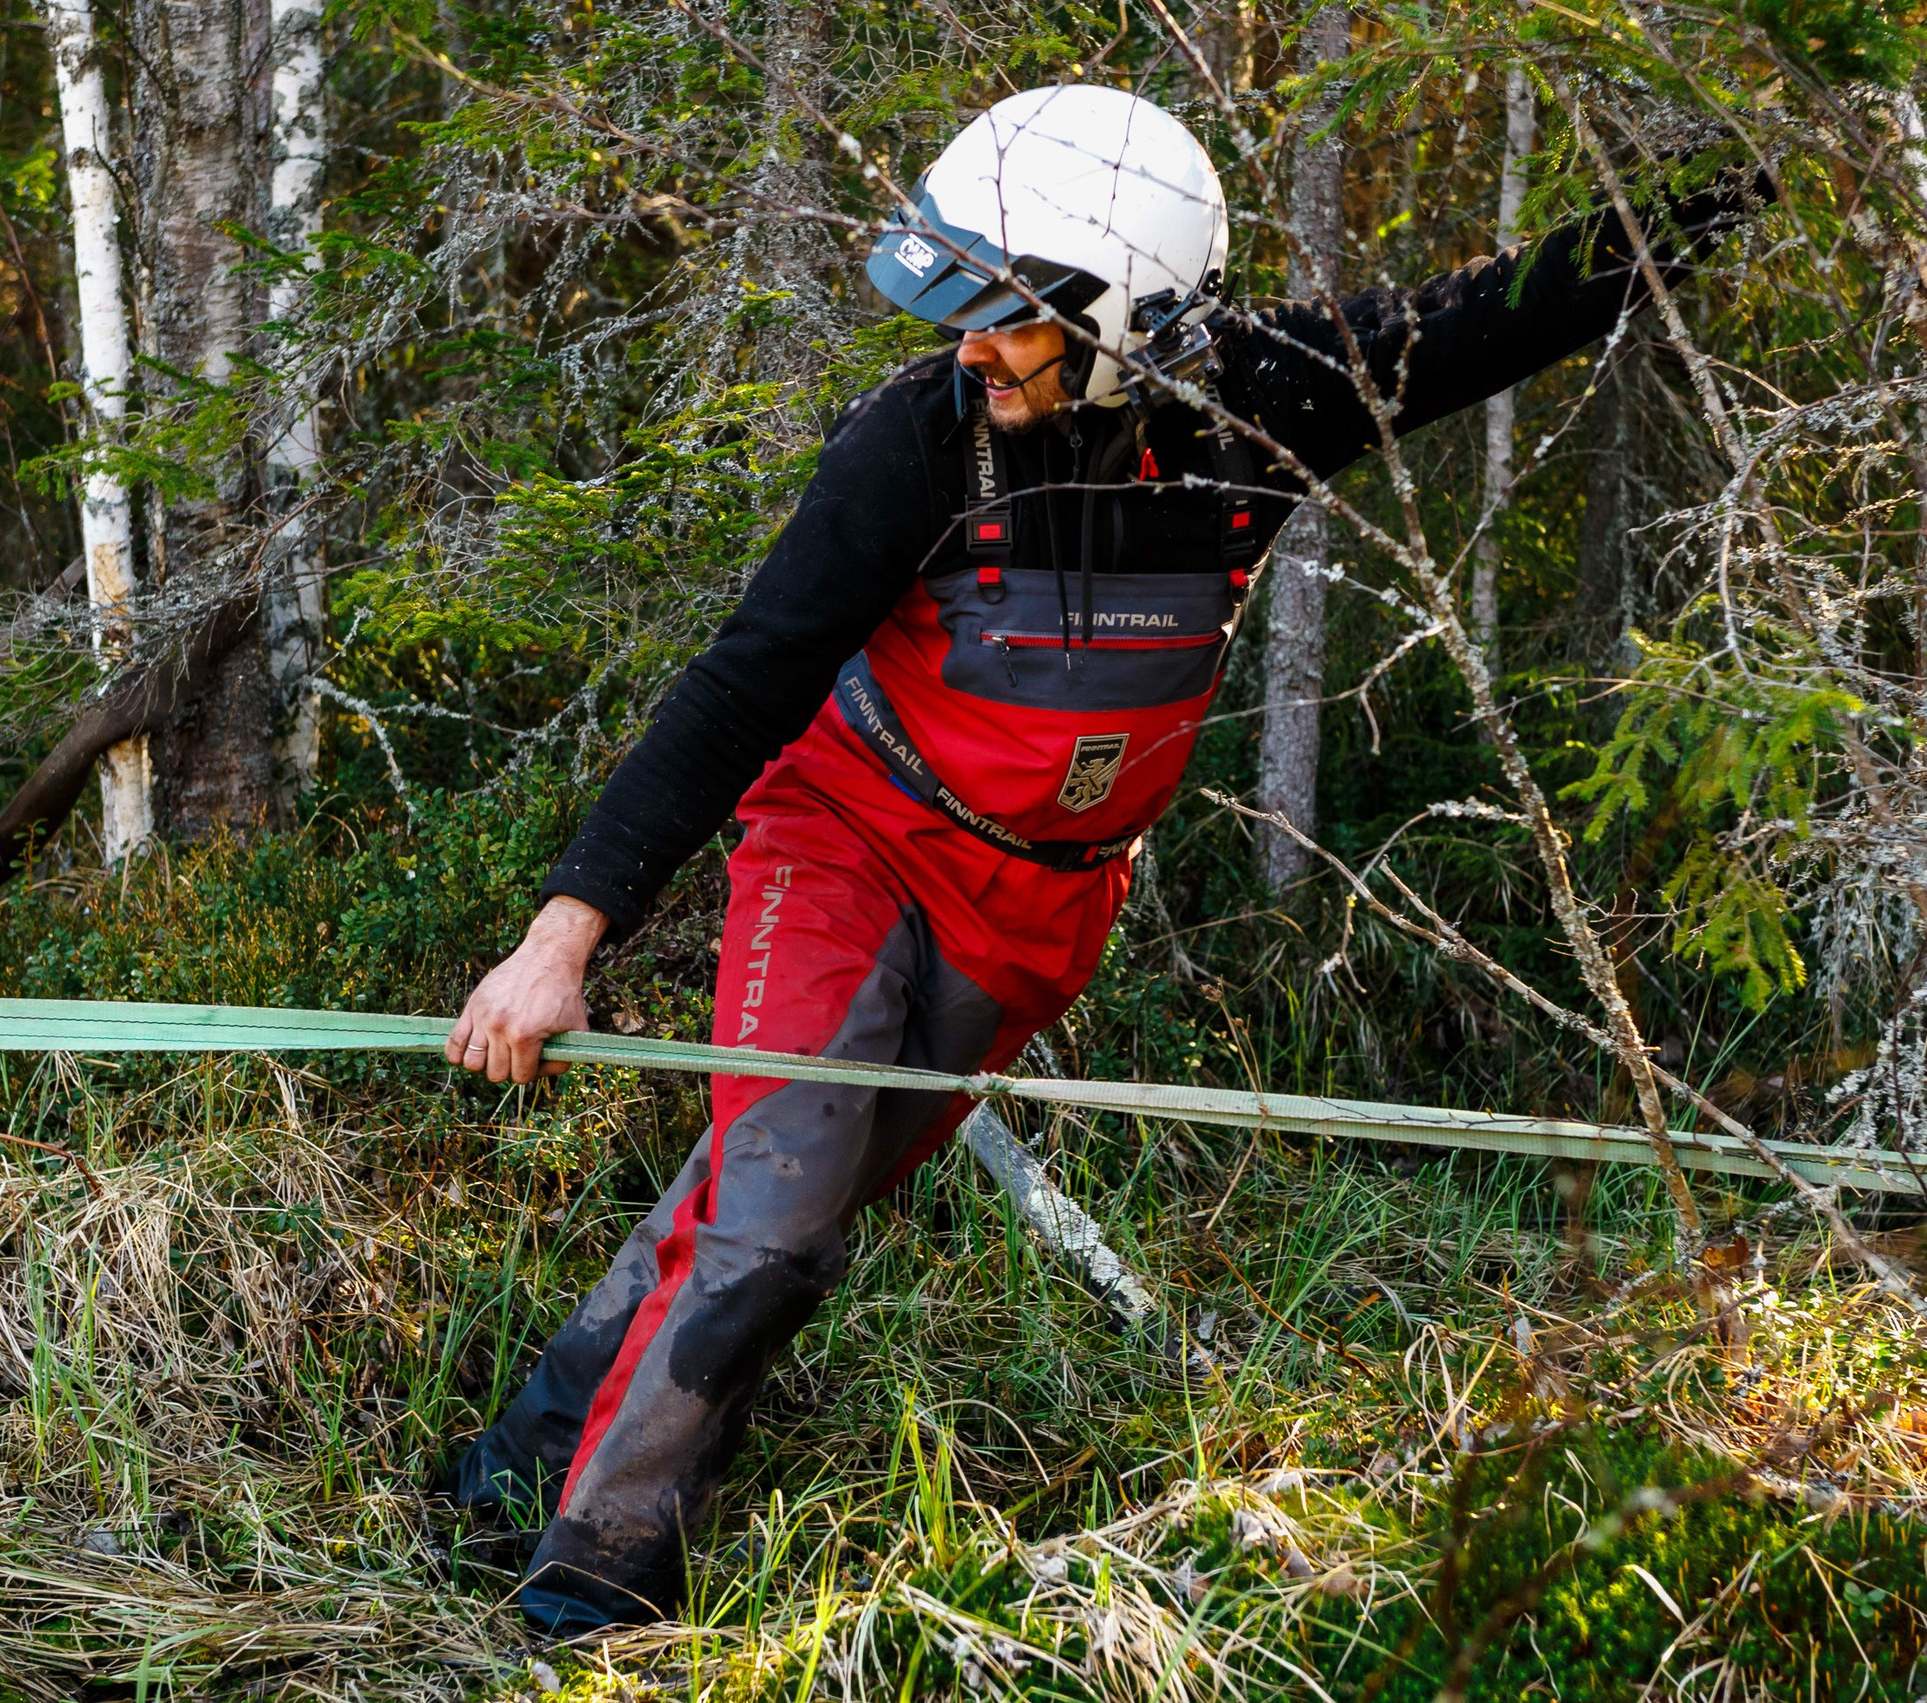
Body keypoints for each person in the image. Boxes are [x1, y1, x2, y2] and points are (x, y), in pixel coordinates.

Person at [442, 83, 1763, 1630]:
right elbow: (747, 676)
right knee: (769, 1226)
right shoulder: (914, 442)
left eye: (1004, 320)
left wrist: (1739, 187)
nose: (968, 349)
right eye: (958, 313)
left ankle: (508, 1472)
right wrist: (565, 933)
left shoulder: (1265, 400)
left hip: (1038, 912)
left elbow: (1499, 319)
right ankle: (585, 1599)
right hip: (850, 842)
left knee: (775, 1199)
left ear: (1129, 310)